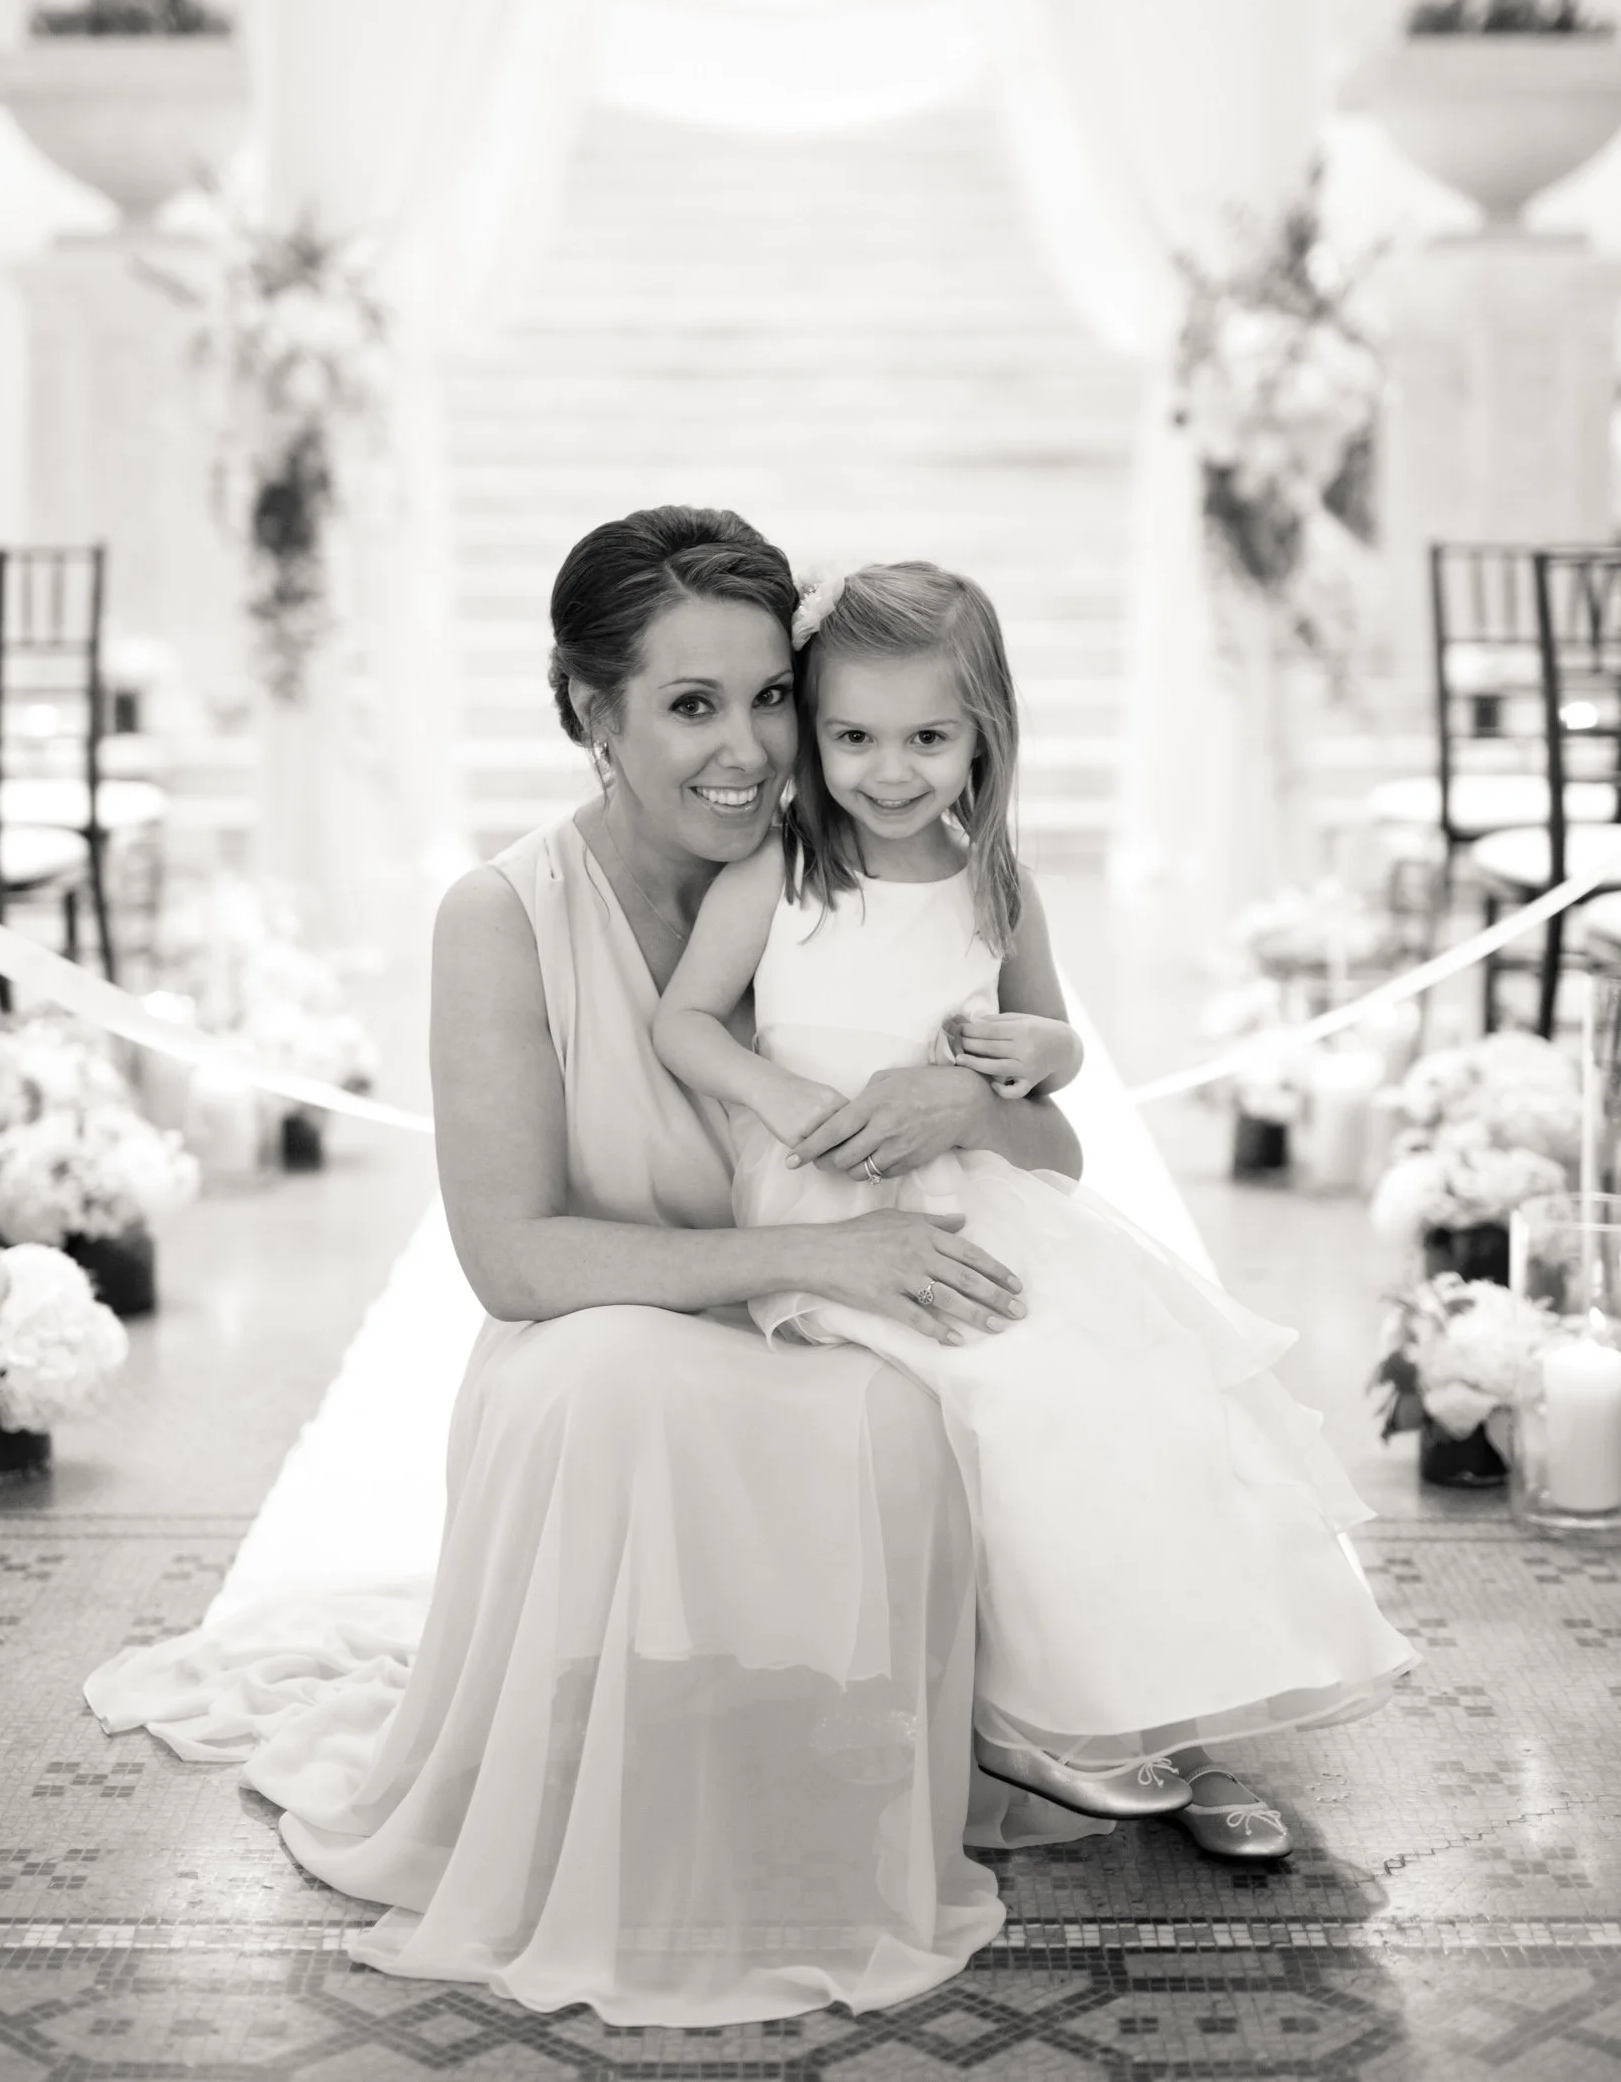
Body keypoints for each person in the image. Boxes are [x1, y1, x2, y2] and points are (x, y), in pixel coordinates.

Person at [88, 507, 1119, 2029]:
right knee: (617, 1374)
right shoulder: (502, 917)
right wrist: (818, 1256)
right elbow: (511, 1257)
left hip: (847, 1331)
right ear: (591, 712)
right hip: (599, 1331)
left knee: (918, 1405)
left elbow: (1053, 1161)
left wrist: (972, 1105)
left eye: (771, 697)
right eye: (689, 706)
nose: (748, 750)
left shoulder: (874, 880)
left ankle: (869, 1758)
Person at [652, 559, 1416, 1861]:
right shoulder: (777, 878)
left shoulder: (990, 882)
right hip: (831, 1193)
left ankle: (1172, 1711)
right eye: (851, 737)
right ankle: (1033, 1716)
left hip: (974, 1190)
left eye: (927, 739)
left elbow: (1055, 1044)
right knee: (1020, 1394)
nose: (888, 770)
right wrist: (775, 1098)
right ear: (812, 734)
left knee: (1152, 1384)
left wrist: (1030, 1054)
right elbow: (680, 1022)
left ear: (982, 738)